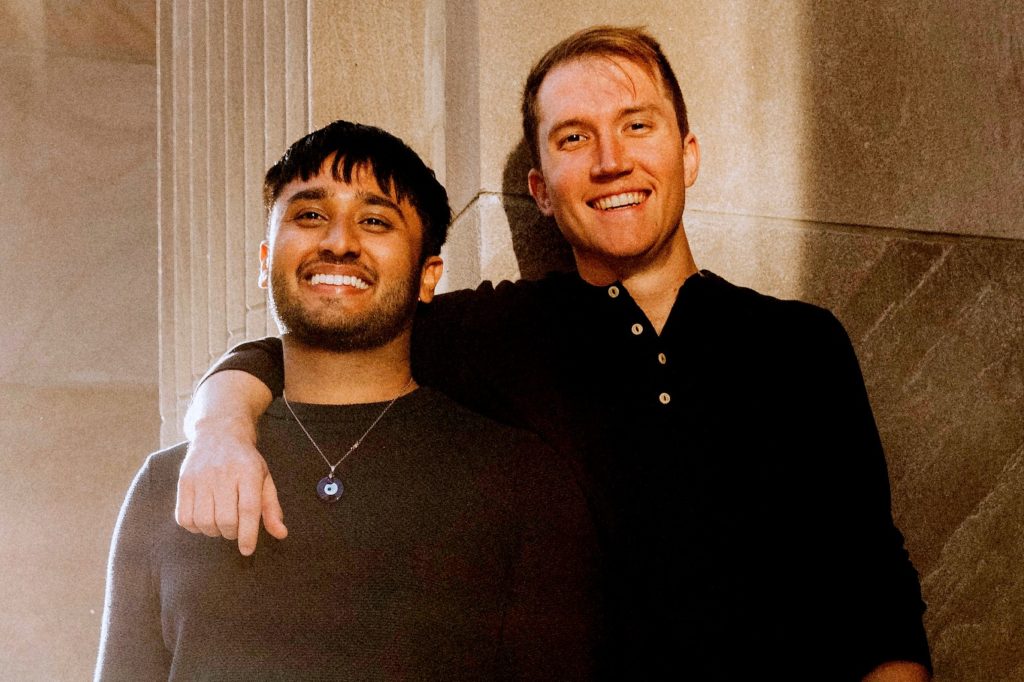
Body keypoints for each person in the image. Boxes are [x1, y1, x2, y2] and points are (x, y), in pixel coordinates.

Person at [177, 27, 932, 680]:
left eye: (638, 126)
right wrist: (219, 431)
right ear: (540, 188)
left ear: (687, 153)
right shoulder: (501, 334)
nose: (611, 161)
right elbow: (302, 343)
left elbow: (879, 595)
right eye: (575, 138)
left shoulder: (800, 343)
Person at [95, 120, 601, 680]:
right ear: (266, 260)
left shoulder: (520, 482)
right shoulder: (170, 483)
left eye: (375, 221)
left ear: (428, 276)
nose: (338, 242)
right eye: (310, 216)